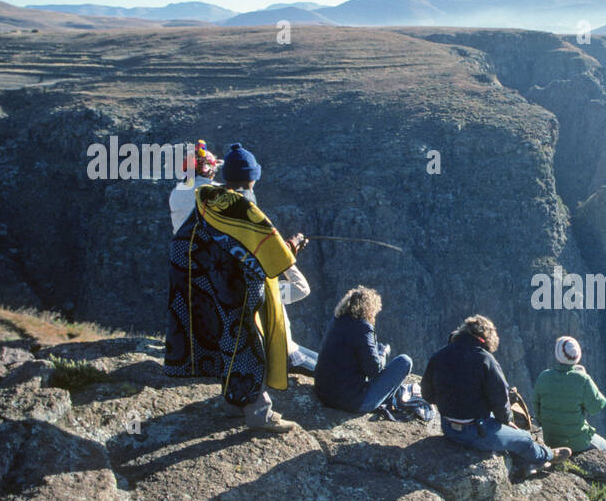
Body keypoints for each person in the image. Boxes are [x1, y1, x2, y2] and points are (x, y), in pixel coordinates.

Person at [164, 142, 296, 432]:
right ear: (252, 176)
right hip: (237, 288)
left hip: (206, 281)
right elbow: (270, 254)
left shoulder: (204, 195)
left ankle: (233, 401)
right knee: (251, 346)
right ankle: (259, 413)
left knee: (228, 342)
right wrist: (293, 247)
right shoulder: (241, 207)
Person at [421, 315, 569, 477]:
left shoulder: (438, 356)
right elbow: (500, 399)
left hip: (448, 427)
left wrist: (454, 402)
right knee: (524, 438)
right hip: (475, 431)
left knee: (507, 433)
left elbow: (427, 395)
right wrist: (507, 421)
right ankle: (547, 455)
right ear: (486, 338)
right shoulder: (485, 360)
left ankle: (524, 462)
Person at [314, 285, 412, 413]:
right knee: (404, 361)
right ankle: (386, 400)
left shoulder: (337, 321)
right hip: (351, 401)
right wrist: (382, 353)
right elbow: (373, 370)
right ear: (369, 309)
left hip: (323, 394)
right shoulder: (363, 328)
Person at [532, 336, 606, 454]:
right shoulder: (582, 379)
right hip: (577, 442)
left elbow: (536, 408)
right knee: (604, 445)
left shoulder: (543, 377)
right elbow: (597, 405)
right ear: (577, 357)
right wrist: (584, 379)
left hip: (550, 440)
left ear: (557, 356)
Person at [168, 140, 220, 233]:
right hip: (208, 245)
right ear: (210, 171)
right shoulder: (218, 191)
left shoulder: (175, 192)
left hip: (181, 244)